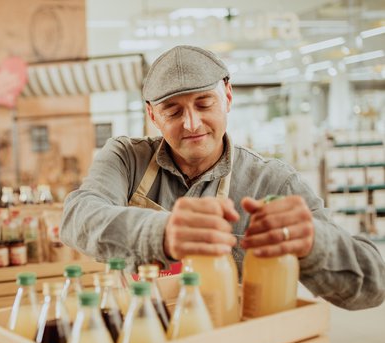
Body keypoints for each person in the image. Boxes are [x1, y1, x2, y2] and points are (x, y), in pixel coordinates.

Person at [61, 45, 385, 310]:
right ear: (152, 115)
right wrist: (160, 234)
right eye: (173, 112)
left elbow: (373, 286)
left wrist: (316, 243)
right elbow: (78, 217)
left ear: (228, 97)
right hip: (142, 338)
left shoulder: (271, 183)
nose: (191, 124)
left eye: (204, 104)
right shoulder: (127, 159)